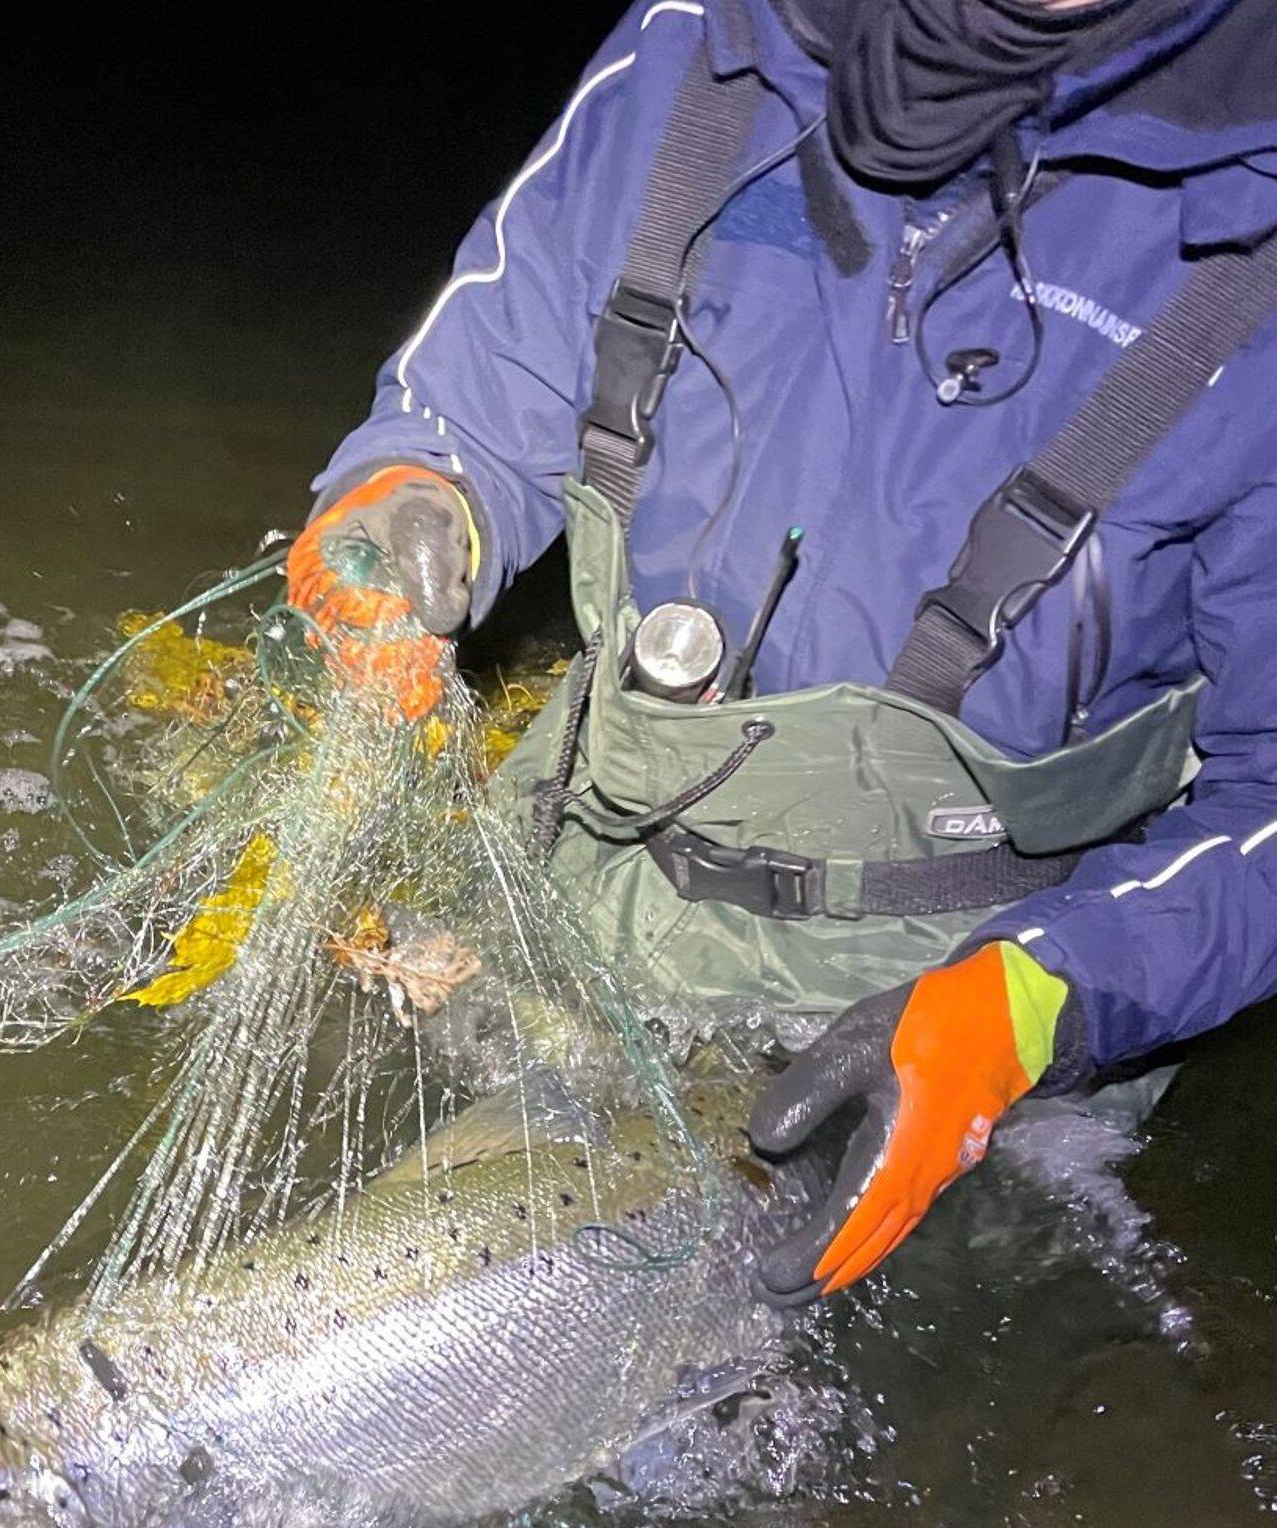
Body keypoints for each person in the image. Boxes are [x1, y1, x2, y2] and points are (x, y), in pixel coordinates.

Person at [287, 0, 1277, 1300]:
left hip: (943, 1033)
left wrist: (1044, 1002)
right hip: (570, 885)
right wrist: (414, 499)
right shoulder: (698, 42)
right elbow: (469, 400)